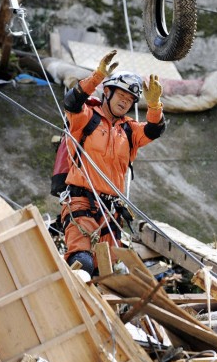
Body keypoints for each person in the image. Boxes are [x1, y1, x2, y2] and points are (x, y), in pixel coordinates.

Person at [60, 50, 165, 275]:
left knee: (109, 271)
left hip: (110, 210)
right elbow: (72, 101)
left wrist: (155, 106)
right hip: (81, 202)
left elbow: (154, 130)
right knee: (82, 262)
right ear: (107, 92)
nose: (125, 103)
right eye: (122, 96)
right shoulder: (86, 117)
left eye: (130, 101)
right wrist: (97, 76)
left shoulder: (129, 130)